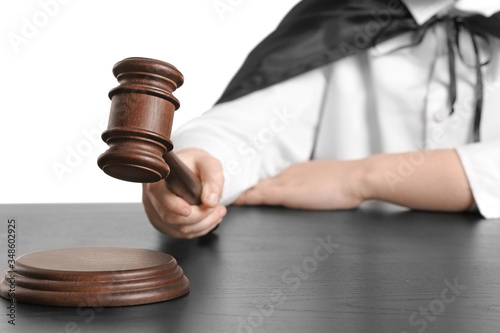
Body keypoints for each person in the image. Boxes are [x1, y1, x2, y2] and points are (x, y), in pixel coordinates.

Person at [142, 0, 500, 238]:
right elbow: (251, 127)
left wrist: (357, 179)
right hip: (349, 280)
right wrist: (196, 168)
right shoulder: (341, 20)